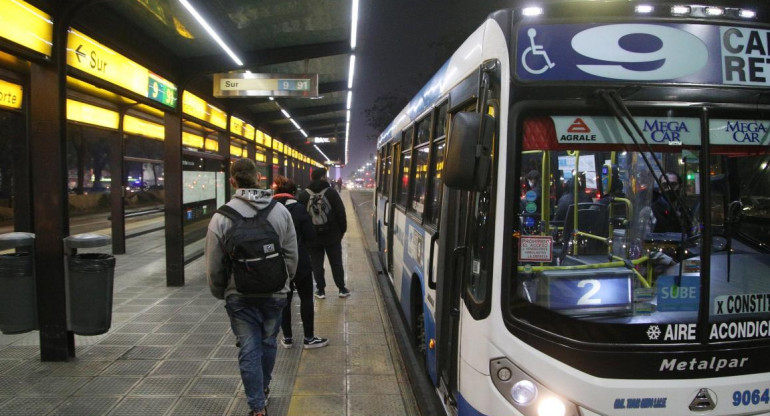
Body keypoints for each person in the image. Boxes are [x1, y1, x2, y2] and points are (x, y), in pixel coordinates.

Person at [205, 158, 298, 416]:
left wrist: (220, 290)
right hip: (275, 293)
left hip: (239, 296)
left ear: (232, 181)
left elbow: (214, 265)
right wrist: (284, 282)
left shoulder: (221, 217)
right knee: (268, 342)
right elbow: (291, 255)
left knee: (248, 348)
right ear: (259, 178)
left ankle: (257, 407)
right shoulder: (280, 212)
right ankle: (264, 387)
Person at [272, 175, 329, 349]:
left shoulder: (268, 209)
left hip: (277, 262)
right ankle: (309, 338)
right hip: (300, 261)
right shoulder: (298, 209)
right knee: (306, 298)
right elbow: (311, 236)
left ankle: (287, 338)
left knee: (285, 300)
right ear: (293, 192)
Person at [298, 168, 350, 298]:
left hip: (312, 237)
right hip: (332, 235)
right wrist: (341, 231)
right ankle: (342, 289)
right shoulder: (331, 192)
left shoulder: (304, 194)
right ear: (322, 177)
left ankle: (320, 290)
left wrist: (304, 235)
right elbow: (341, 213)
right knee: (336, 262)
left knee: (316, 264)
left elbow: (301, 216)